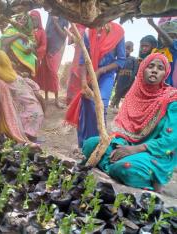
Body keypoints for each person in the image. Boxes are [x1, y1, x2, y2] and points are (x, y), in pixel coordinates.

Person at [82, 53, 177, 192]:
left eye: (160, 68)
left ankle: (152, 181)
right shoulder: (133, 93)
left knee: (125, 167)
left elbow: (170, 140)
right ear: (142, 69)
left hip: (152, 152)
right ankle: (116, 168)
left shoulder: (171, 100)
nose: (154, 70)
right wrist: (119, 146)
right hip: (126, 144)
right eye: (150, 66)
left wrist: (134, 150)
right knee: (90, 144)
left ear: (165, 74)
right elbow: (122, 129)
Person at [65, 22, 126, 148]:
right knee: (86, 105)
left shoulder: (118, 32)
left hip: (106, 76)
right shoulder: (89, 31)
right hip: (89, 75)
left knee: (100, 106)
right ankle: (84, 145)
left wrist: (100, 71)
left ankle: (99, 145)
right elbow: (83, 59)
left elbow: (121, 60)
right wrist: (83, 83)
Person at [37, 14, 69, 108]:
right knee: (46, 72)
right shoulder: (50, 15)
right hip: (47, 48)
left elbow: (64, 35)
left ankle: (56, 100)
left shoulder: (65, 18)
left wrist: (55, 23)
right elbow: (46, 31)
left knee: (53, 74)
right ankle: (46, 97)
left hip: (56, 49)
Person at [0, 14, 36, 78]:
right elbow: (4, 43)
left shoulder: (28, 34)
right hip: (11, 59)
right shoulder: (10, 30)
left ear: (27, 22)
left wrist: (30, 49)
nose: (21, 21)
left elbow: (34, 48)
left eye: (24, 20)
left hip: (24, 63)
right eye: (19, 18)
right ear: (16, 20)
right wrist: (18, 35)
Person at [148, 17, 177, 87]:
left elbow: (169, 41)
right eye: (163, 37)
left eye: (172, 37)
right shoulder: (156, 51)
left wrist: (153, 25)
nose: (168, 38)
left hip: (169, 86)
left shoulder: (174, 46)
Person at [110, 41, 139, 109]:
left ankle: (124, 108)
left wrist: (132, 80)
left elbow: (135, 71)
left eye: (128, 49)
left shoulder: (134, 59)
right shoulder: (120, 60)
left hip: (129, 79)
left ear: (132, 50)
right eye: (124, 48)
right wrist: (115, 81)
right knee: (118, 92)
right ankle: (113, 104)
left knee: (126, 93)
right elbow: (117, 72)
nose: (126, 50)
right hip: (120, 79)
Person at [66, 24, 86, 105]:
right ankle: (71, 106)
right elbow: (70, 42)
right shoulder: (77, 26)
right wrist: (71, 32)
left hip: (87, 61)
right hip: (77, 59)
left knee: (82, 83)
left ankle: (78, 106)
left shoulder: (92, 28)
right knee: (73, 81)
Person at [29, 10, 47, 82]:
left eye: (35, 20)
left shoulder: (42, 31)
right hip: (23, 52)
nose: (33, 21)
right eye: (31, 19)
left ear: (39, 20)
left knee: (32, 76)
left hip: (35, 55)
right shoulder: (26, 29)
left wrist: (35, 51)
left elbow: (44, 46)